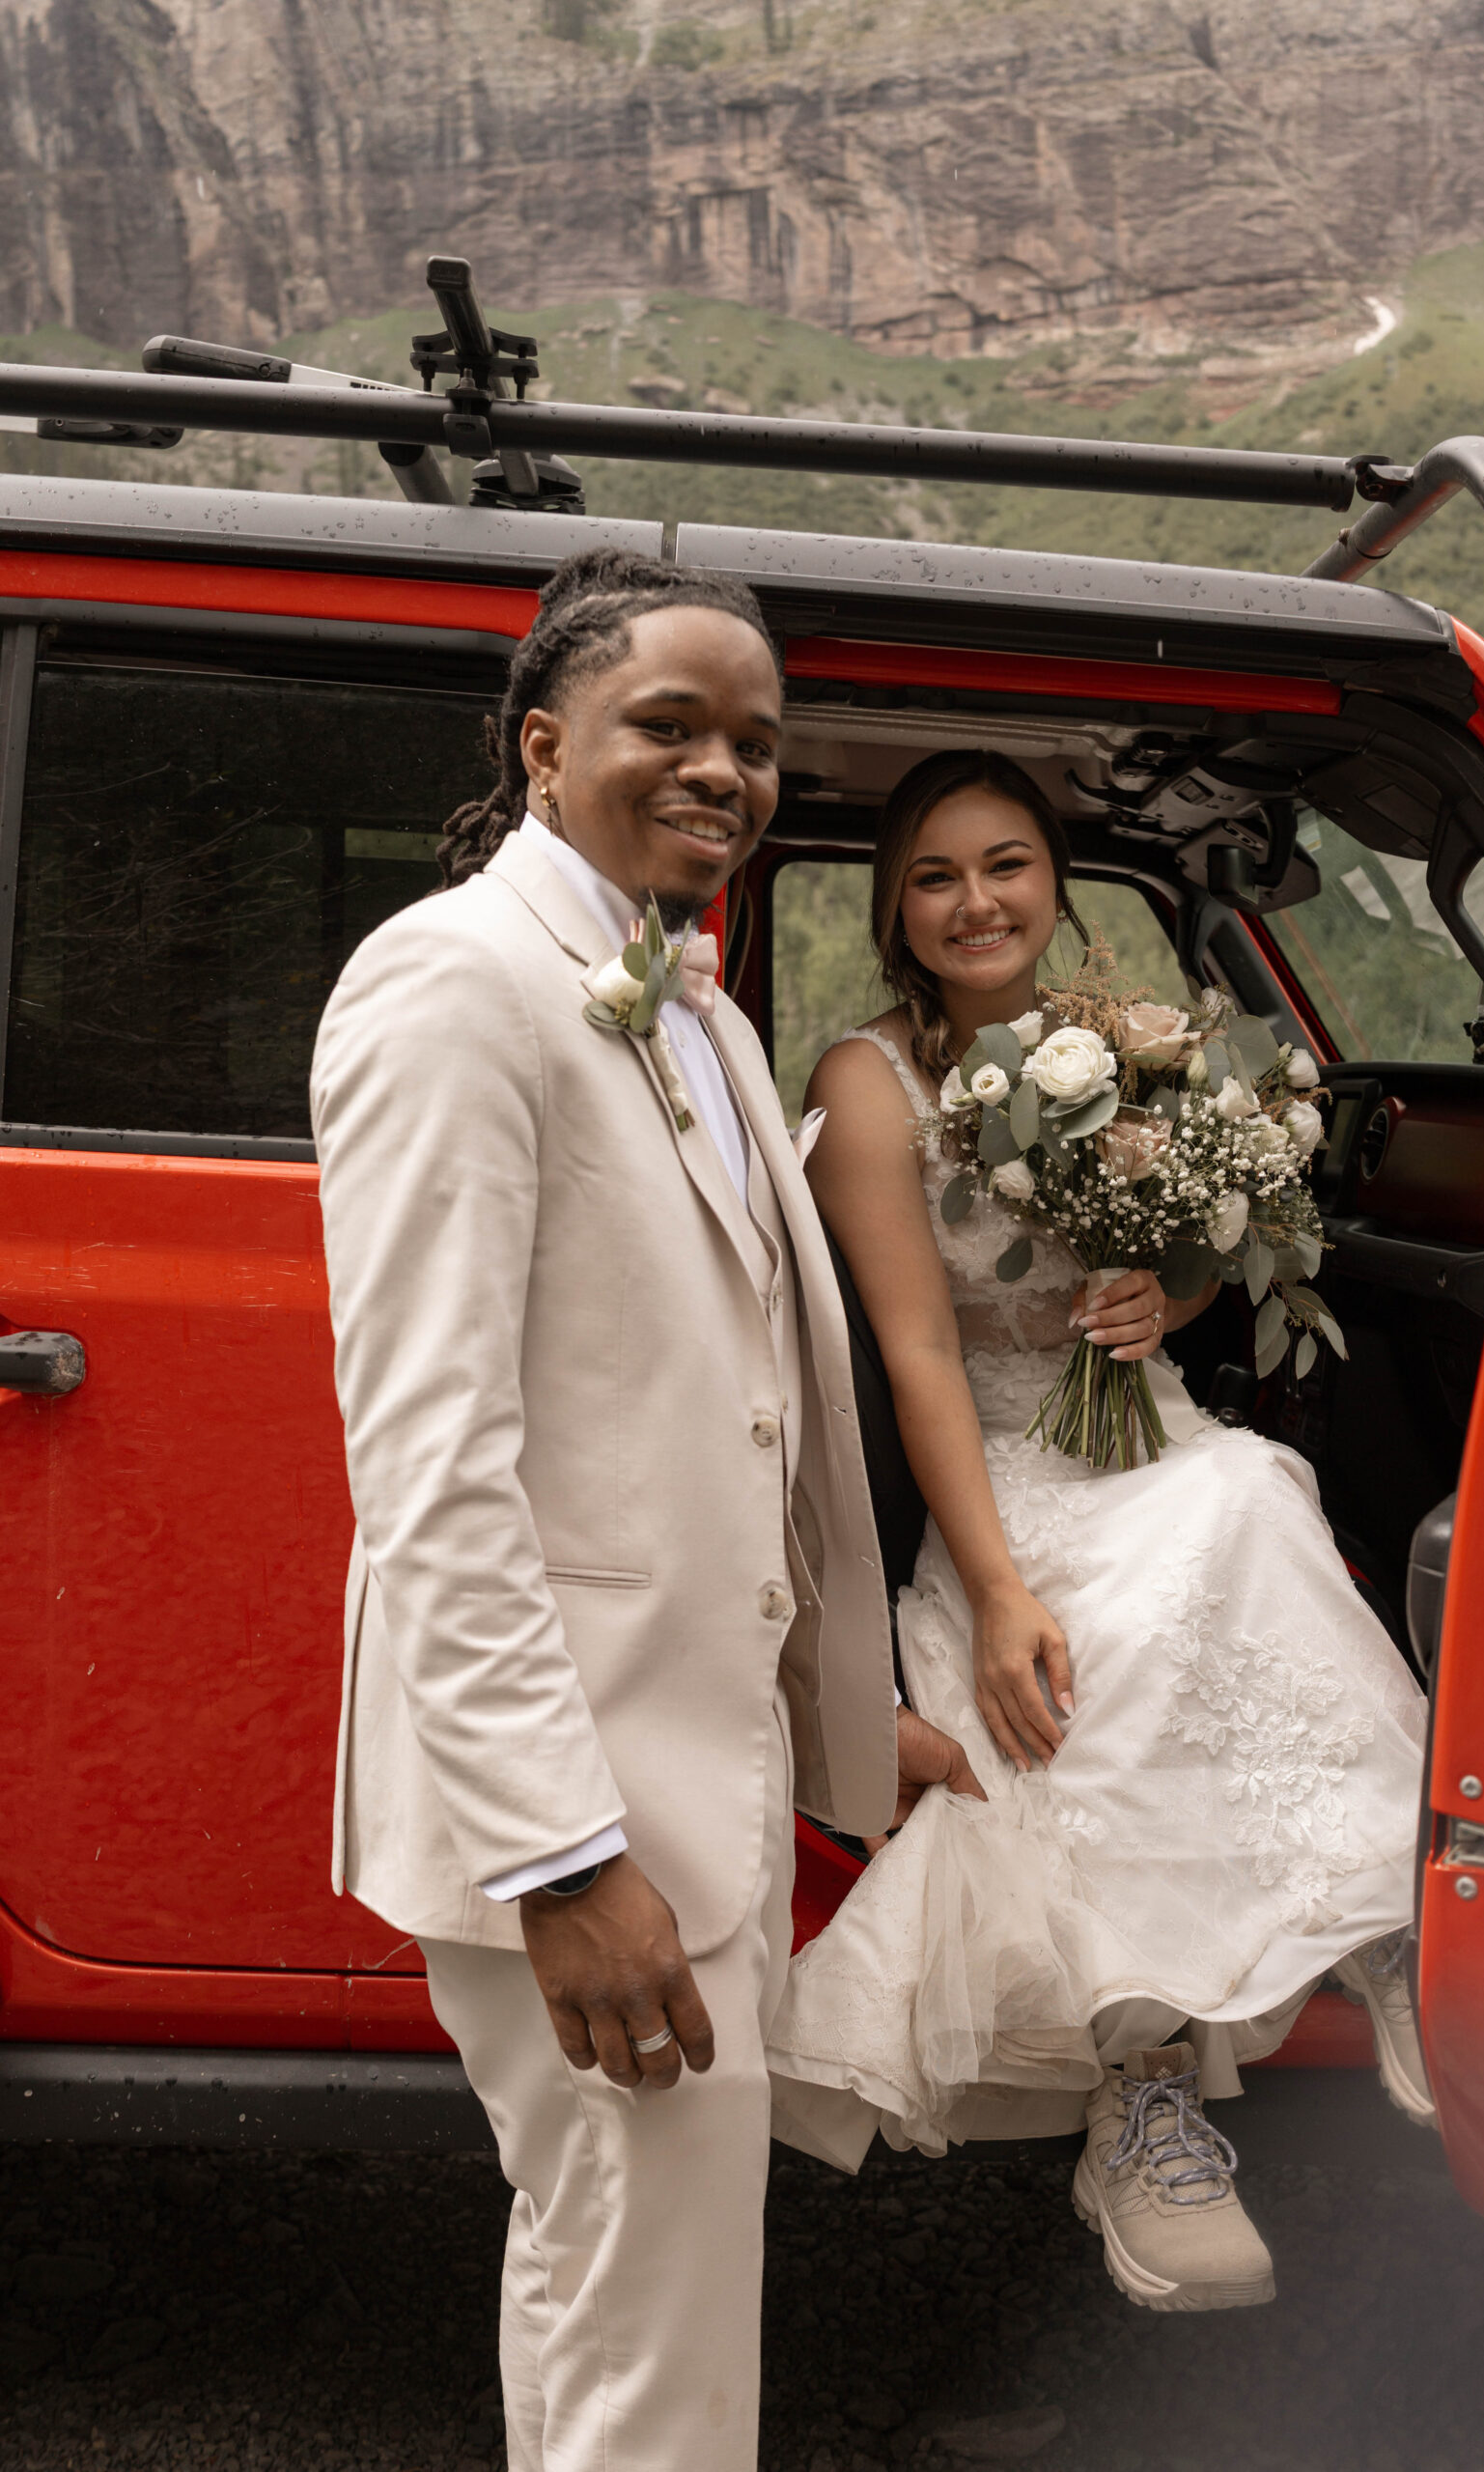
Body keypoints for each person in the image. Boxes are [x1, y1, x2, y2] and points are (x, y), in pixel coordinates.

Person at [310, 551, 981, 2472]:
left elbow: (734, 1412)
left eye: (755, 743)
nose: (723, 771)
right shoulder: (451, 980)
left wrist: (831, 1696)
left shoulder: (698, 1003)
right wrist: (557, 1856)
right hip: (588, 1815)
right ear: (542, 741)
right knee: (650, 2334)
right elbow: (432, 1466)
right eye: (668, 725)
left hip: (698, 1777)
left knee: (629, 2294)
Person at [765, 747, 1433, 2317]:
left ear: (1054, 886)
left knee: (1249, 1492)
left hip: (1140, 1440)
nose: (973, 900)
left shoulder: (1125, 1050)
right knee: (1134, 1599)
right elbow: (921, 1349)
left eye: (1005, 864)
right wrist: (994, 1588)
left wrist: (1168, 1294)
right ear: (893, 910)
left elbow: (1199, 1257)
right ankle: (1140, 2088)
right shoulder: (872, 1084)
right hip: (994, 1477)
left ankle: (1387, 1937)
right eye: (934, 876)